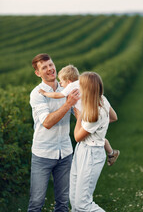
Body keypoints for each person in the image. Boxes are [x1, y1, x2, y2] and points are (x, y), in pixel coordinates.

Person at [39, 65, 120, 166]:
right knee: (99, 138)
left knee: (93, 137)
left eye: (62, 81)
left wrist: (45, 93)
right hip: (90, 117)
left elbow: (58, 95)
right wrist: (97, 125)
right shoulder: (90, 90)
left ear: (68, 81)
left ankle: (112, 153)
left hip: (86, 117)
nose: (60, 83)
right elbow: (114, 117)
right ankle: (111, 153)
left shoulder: (71, 86)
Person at [28, 54, 79, 212]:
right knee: (36, 202)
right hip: (42, 154)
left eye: (51, 65)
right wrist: (68, 104)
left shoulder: (67, 89)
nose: (50, 69)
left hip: (65, 153)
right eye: (44, 67)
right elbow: (47, 123)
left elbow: (80, 115)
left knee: (63, 203)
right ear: (38, 73)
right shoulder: (37, 94)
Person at [69, 72, 118, 211]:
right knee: (73, 199)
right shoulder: (102, 99)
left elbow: (77, 136)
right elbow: (113, 117)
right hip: (82, 150)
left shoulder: (94, 113)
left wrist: (80, 117)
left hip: (91, 153)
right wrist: (100, 126)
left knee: (82, 204)